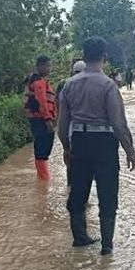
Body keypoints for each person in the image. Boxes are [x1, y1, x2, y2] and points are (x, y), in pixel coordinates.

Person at [58, 37, 135, 255]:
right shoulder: (108, 85)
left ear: (84, 55)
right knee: (108, 192)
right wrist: (129, 150)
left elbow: (62, 124)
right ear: (105, 57)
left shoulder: (68, 85)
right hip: (105, 145)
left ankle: (80, 239)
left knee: (78, 192)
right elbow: (118, 124)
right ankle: (107, 246)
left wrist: (66, 147)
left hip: (80, 143)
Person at [24, 55, 58, 181]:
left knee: (41, 148)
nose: (50, 68)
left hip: (37, 119)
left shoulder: (35, 80)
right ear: (40, 66)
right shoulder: (38, 82)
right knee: (43, 149)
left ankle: (42, 177)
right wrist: (48, 120)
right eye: (48, 66)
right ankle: (44, 179)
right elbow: (42, 101)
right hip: (41, 120)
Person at [57, 60, 86, 189]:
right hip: (88, 134)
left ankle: (70, 189)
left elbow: (62, 118)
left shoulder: (66, 86)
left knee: (71, 164)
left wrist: (65, 147)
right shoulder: (92, 86)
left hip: (72, 133)